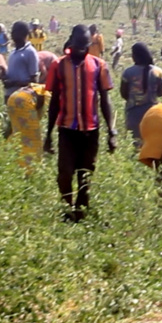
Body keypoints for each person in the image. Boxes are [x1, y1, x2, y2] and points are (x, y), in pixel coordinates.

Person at [44, 25, 117, 222]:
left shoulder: (99, 65)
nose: (80, 50)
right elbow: (54, 101)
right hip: (67, 129)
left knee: (85, 176)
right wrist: (48, 134)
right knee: (65, 174)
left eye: (84, 46)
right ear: (71, 42)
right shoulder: (58, 66)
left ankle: (81, 214)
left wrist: (112, 131)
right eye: (77, 46)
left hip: (90, 130)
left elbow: (105, 99)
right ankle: (66, 209)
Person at [120, 43, 162, 146]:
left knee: (137, 145)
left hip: (134, 113)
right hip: (154, 113)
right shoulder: (158, 72)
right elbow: (161, 93)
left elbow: (124, 94)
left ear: (135, 56)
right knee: (153, 145)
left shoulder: (128, 73)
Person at [7, 82, 49, 172]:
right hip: (25, 101)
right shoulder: (54, 94)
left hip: (13, 97)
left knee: (18, 134)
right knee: (33, 140)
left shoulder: (44, 88)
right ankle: (29, 171)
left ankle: (9, 162)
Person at [2, 22, 40, 103]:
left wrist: (14, 83)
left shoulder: (30, 52)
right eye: (13, 31)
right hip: (10, 96)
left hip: (23, 99)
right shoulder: (12, 53)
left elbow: (34, 80)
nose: (13, 34)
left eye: (16, 32)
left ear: (25, 34)